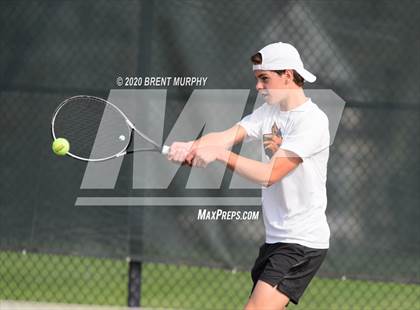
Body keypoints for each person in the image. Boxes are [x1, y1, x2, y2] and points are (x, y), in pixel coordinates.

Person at [168, 42, 330, 310]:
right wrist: (192, 146)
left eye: (264, 79)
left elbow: (270, 174)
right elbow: (226, 136)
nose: (258, 87)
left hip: (302, 241)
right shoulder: (269, 112)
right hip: (277, 239)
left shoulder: (312, 121)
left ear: (287, 75)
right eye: (257, 79)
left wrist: (219, 154)